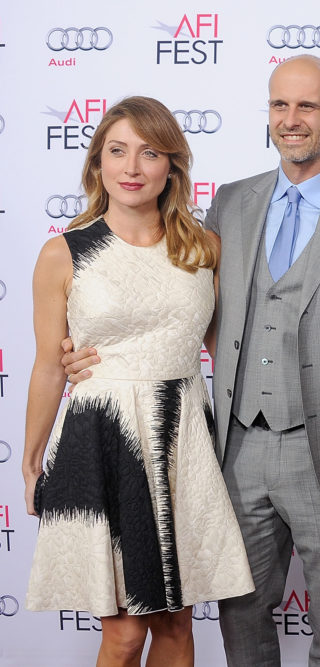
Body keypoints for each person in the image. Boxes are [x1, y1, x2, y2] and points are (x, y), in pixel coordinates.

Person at [62, 55, 320, 667]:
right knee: (242, 625)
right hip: (236, 450)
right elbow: (179, 303)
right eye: (280, 105)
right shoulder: (231, 203)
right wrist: (90, 347)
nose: (292, 119)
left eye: (307, 106)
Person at [23, 96, 253, 666]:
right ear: (97, 165)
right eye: (117, 151)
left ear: (170, 167)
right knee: (124, 634)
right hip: (102, 441)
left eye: (149, 153)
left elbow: (228, 354)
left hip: (183, 444)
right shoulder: (65, 253)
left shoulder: (203, 249)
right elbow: (51, 365)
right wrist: (30, 462)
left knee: (176, 626)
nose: (131, 168)